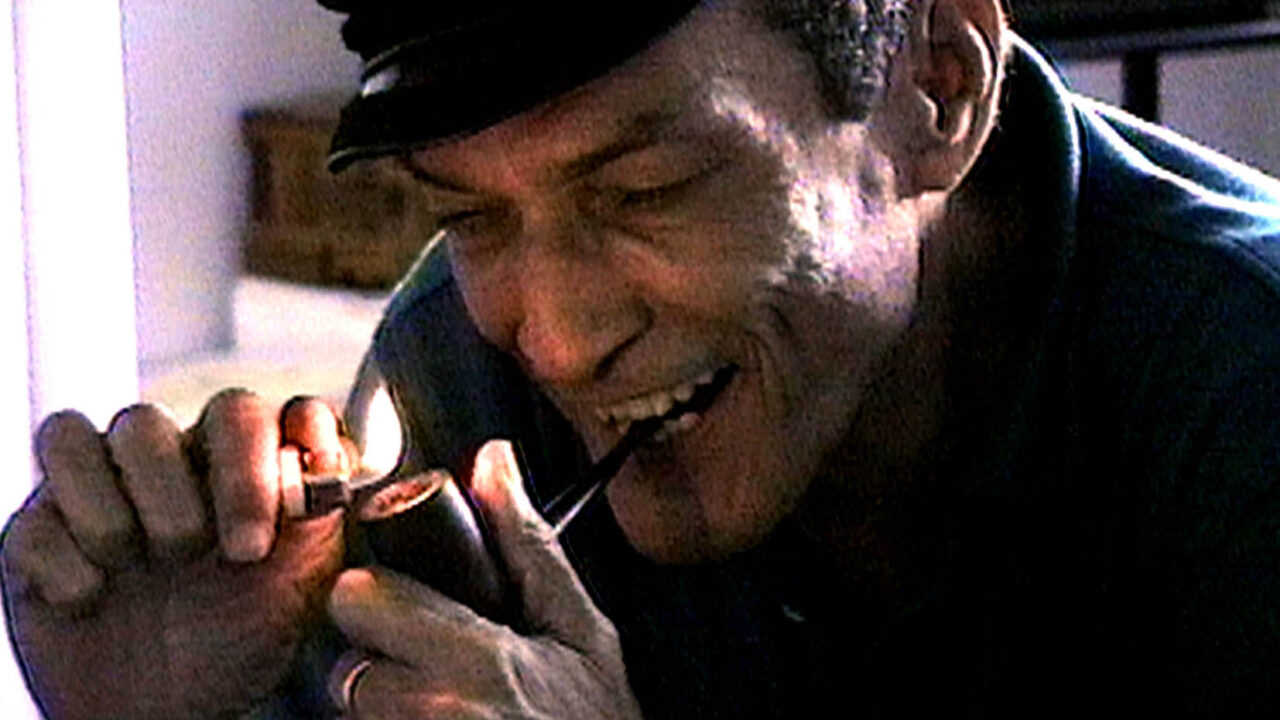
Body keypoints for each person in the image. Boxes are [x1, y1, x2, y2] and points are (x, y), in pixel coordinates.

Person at [4, 0, 1279, 716]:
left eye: (648, 190)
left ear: (934, 91)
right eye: (471, 216)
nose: (556, 343)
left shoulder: (1241, 395)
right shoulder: (458, 368)